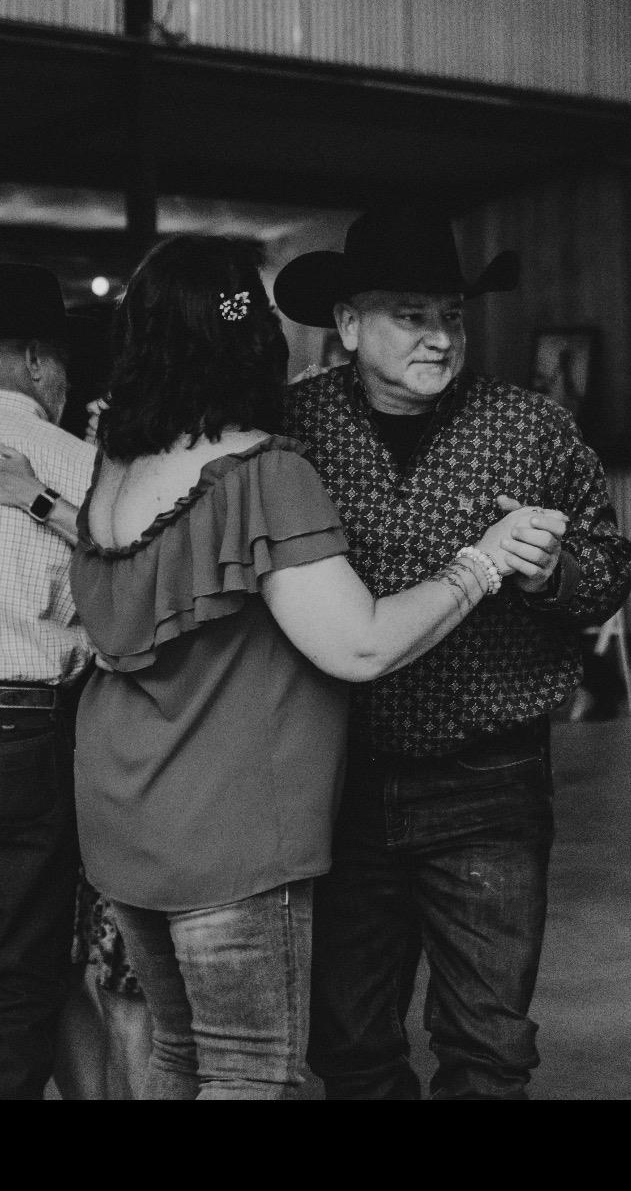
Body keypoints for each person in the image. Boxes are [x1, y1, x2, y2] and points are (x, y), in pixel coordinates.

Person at [65, 233, 567, 1101]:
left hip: (124, 817)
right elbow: (358, 643)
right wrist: (482, 562)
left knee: (179, 1053)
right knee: (249, 1072)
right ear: (256, 335)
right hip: (228, 830)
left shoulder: (117, 464)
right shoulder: (264, 470)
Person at [274, 203, 631, 1101]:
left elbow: (606, 574)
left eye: (452, 315)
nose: (440, 338)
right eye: (411, 316)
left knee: (488, 1048)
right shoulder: (288, 432)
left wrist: (552, 573)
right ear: (347, 324)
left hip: (489, 781)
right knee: (350, 1043)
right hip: (335, 782)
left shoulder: (532, 429)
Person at [0, 263, 95, 1100]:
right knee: (21, 960)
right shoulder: (74, 464)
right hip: (26, 725)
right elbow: (119, 602)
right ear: (34, 359)